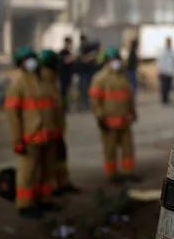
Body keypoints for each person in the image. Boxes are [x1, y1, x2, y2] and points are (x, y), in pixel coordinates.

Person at [4, 46, 62, 219]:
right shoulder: (18, 86)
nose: (31, 62)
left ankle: (45, 199)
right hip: (30, 136)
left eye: (32, 58)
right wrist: (16, 140)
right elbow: (13, 117)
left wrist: (58, 130)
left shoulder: (45, 81)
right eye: (26, 59)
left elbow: (54, 108)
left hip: (48, 134)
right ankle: (25, 204)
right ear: (20, 64)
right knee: (28, 172)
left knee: (46, 170)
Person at [89, 46, 140, 183]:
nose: (116, 62)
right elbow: (95, 101)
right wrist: (100, 118)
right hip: (109, 122)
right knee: (109, 150)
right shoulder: (100, 78)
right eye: (113, 59)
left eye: (117, 59)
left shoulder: (123, 78)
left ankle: (128, 173)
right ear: (107, 61)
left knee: (128, 149)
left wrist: (133, 112)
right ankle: (112, 175)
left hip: (125, 120)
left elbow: (129, 98)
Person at [38, 49, 80, 196]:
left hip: (56, 129)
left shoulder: (52, 82)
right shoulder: (41, 83)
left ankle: (62, 183)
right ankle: (49, 191)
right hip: (44, 131)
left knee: (59, 159)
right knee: (45, 164)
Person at [157, 37, 174, 105]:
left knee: (169, 86)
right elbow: (160, 62)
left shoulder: (172, 51)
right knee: (164, 87)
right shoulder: (162, 51)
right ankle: (164, 99)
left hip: (170, 72)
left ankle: (167, 98)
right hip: (163, 72)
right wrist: (160, 71)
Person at [58, 37, 75, 113]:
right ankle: (63, 107)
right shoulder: (63, 52)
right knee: (63, 92)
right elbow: (63, 61)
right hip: (63, 75)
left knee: (66, 92)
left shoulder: (69, 52)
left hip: (68, 75)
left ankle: (65, 106)